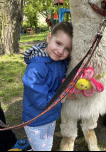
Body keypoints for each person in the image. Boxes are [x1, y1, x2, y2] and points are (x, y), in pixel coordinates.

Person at [22, 22, 74, 151]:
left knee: (47, 145)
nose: (61, 51)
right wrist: (64, 95)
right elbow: (41, 102)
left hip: (50, 117)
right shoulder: (36, 69)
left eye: (67, 49)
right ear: (49, 37)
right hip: (36, 121)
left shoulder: (59, 61)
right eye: (58, 43)